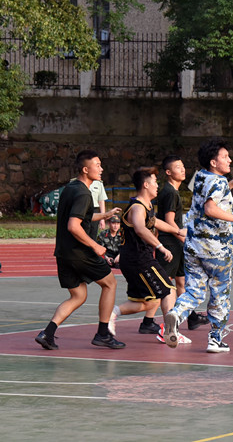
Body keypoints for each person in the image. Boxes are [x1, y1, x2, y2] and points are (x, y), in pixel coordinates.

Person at [162, 139, 233, 353]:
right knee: (220, 293)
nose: (229, 160)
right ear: (213, 162)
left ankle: (176, 314)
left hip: (194, 247)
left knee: (194, 291)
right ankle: (215, 339)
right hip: (216, 249)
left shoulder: (200, 177)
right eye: (225, 157)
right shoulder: (219, 182)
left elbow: (212, 196)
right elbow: (210, 208)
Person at [35, 150, 123, 350]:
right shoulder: (84, 193)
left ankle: (47, 334)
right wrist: (95, 245)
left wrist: (105, 215)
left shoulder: (71, 188)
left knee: (78, 295)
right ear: (85, 169)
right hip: (79, 252)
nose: (101, 169)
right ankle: (103, 334)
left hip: (63, 253)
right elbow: (74, 226)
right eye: (97, 165)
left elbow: (82, 217)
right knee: (110, 283)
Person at [111, 168, 187, 342]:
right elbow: (140, 228)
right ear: (146, 185)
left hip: (137, 259)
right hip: (139, 259)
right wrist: (160, 246)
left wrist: (178, 231)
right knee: (169, 290)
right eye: (154, 182)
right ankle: (170, 332)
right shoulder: (137, 207)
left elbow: (156, 222)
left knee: (149, 302)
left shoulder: (147, 207)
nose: (157, 186)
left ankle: (112, 312)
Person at [154, 154, 209, 334]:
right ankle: (155, 322)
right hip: (170, 243)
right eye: (178, 167)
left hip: (175, 243)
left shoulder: (173, 191)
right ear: (168, 172)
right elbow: (169, 221)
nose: (183, 170)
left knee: (182, 281)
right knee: (165, 284)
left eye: (183, 166)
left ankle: (191, 317)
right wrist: (182, 237)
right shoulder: (170, 192)